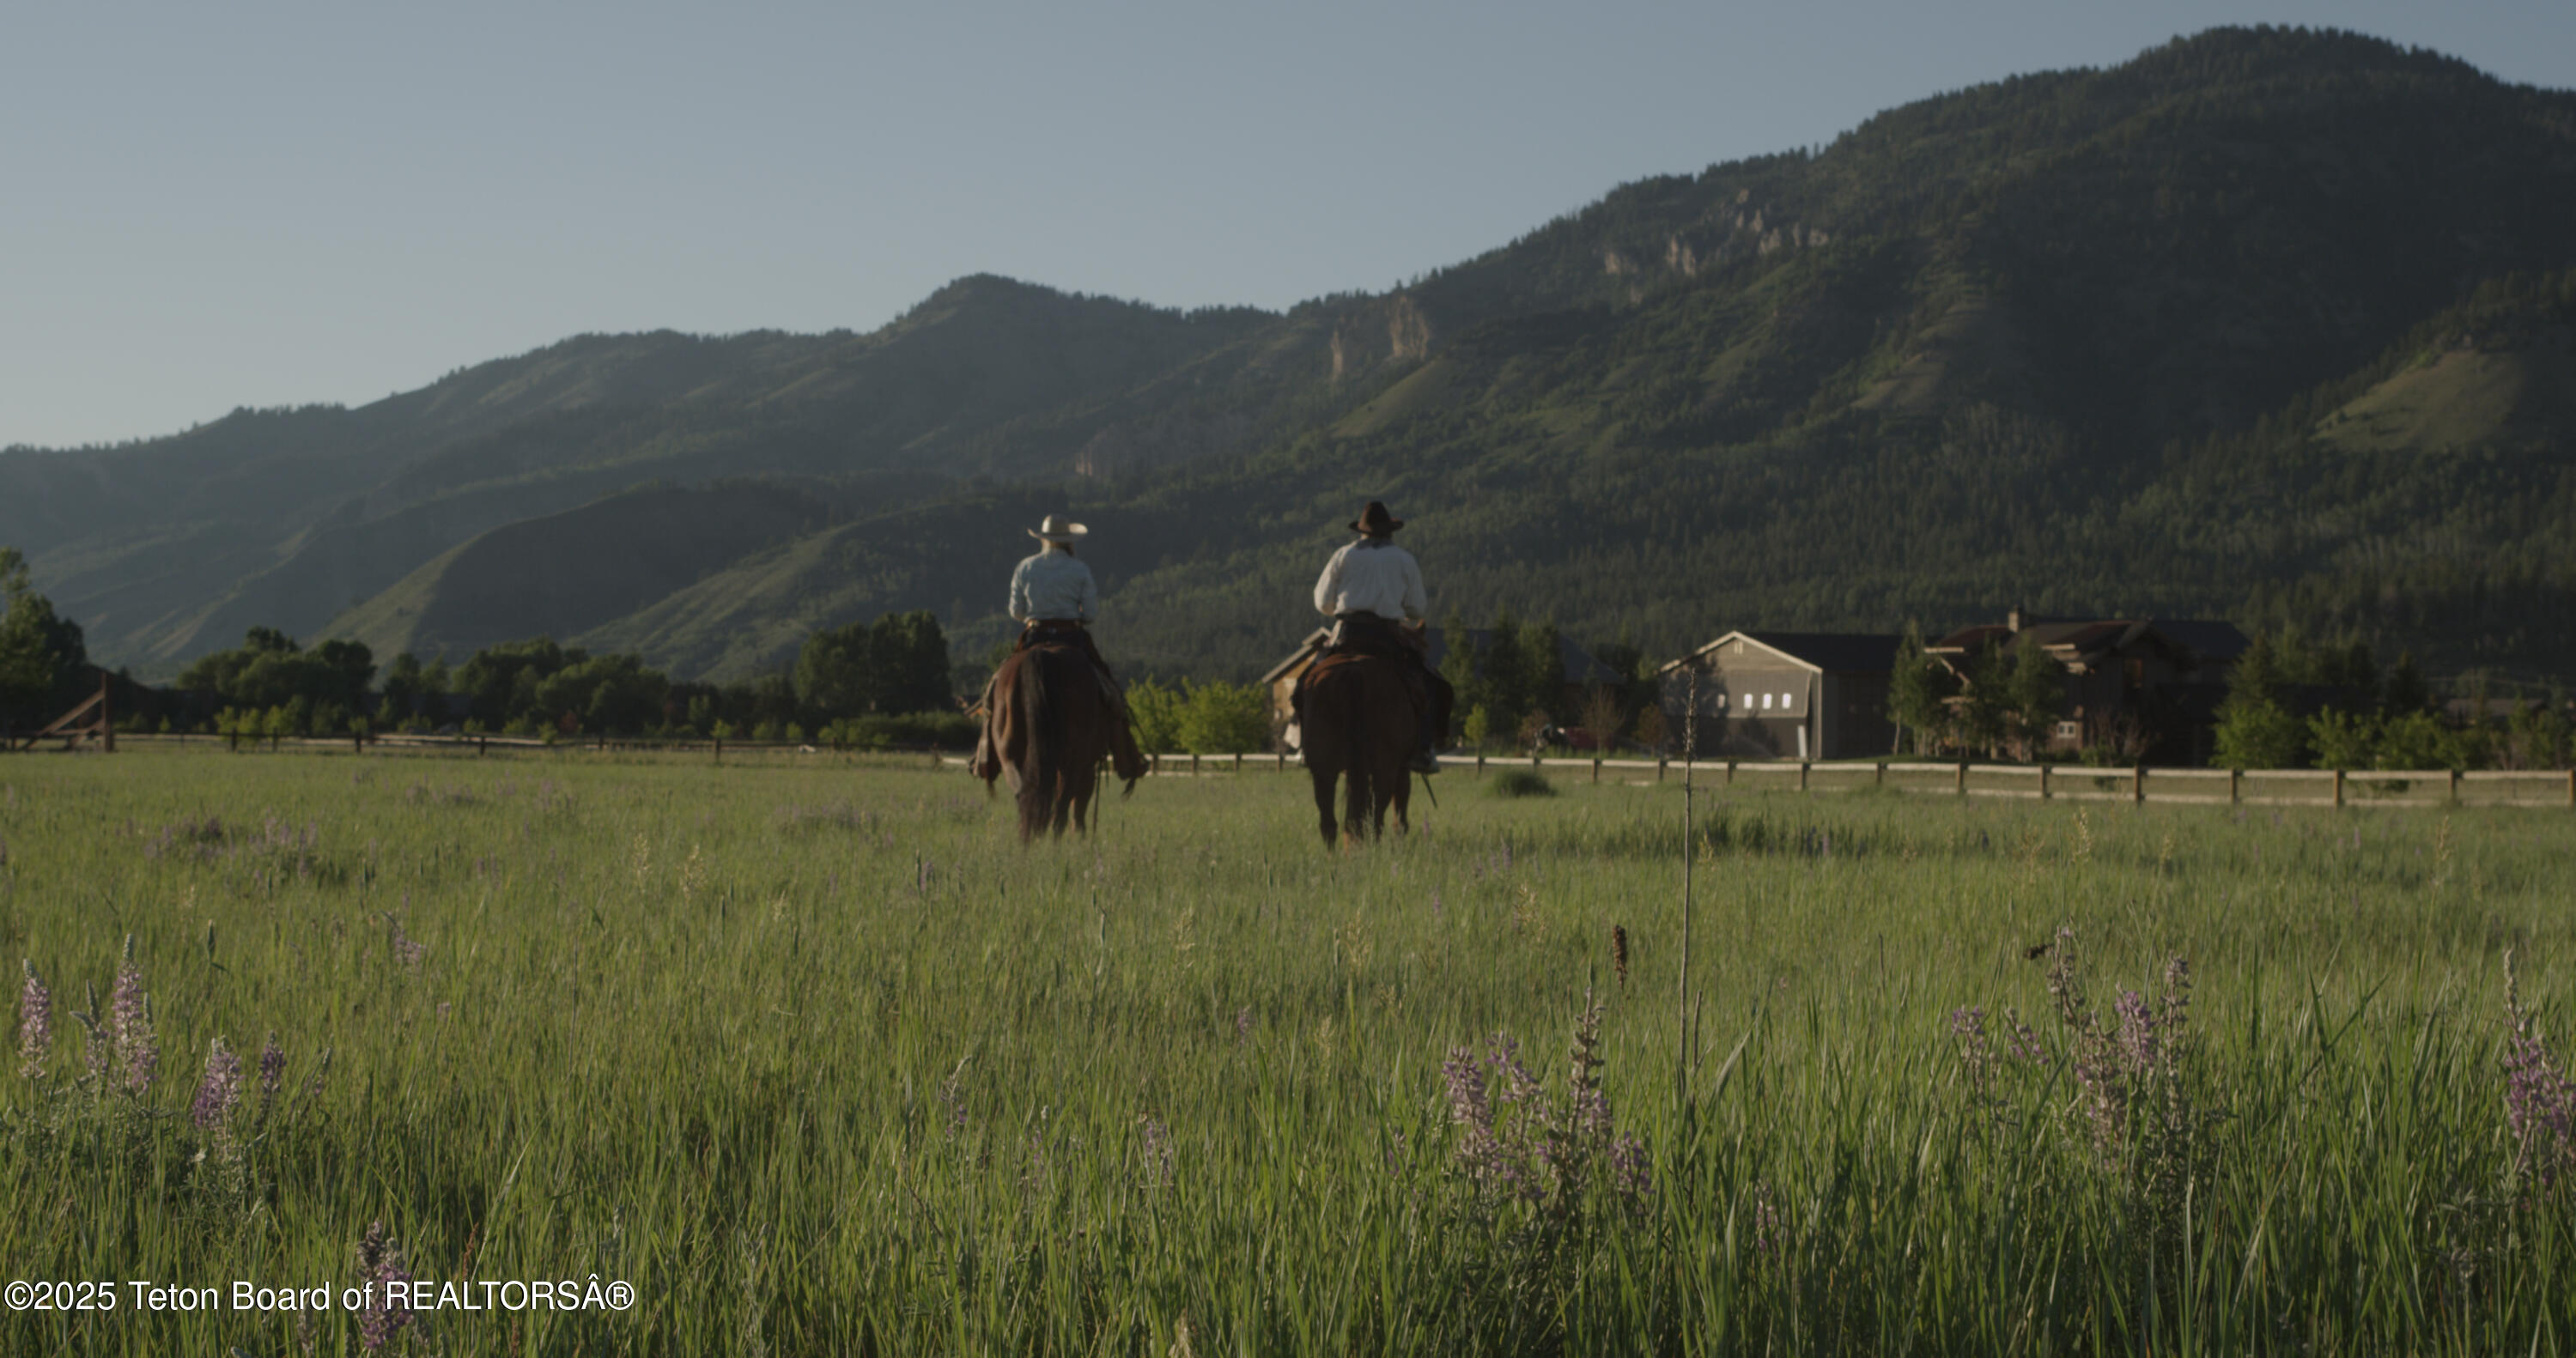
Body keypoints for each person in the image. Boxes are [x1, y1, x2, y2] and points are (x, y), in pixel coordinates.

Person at [1307, 500, 1454, 773]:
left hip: (1347, 631)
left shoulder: (1343, 555)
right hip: (1387, 634)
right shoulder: (1403, 559)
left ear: (1361, 532)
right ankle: (1423, 749)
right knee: (1427, 683)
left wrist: (1337, 608)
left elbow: (1322, 601)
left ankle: (1304, 741)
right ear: (1390, 532)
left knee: (1310, 678)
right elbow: (1417, 608)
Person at [998, 514, 1146, 779]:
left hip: (1035, 635)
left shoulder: (1025, 567)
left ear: (1043, 539)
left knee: (995, 690)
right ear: (1068, 542)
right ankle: (1126, 760)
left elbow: (1016, 611)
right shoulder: (1080, 569)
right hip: (1071, 637)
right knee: (1110, 693)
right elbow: (1090, 614)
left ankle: (985, 757)